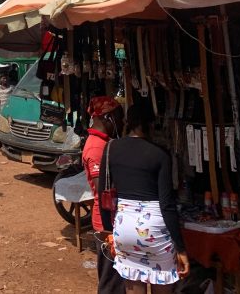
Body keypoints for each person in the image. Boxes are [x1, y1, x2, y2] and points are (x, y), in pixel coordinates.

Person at [99, 100, 189, 292]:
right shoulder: (160, 155)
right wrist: (181, 248)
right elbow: (167, 204)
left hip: (124, 227)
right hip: (155, 230)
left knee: (133, 282)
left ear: (127, 122)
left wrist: (109, 231)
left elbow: (102, 194)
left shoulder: (110, 149)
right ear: (150, 124)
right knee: (163, 283)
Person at [81, 96, 125, 294]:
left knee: (117, 279)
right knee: (110, 282)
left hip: (110, 219)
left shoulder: (103, 143)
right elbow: (103, 189)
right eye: (118, 117)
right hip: (106, 222)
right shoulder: (96, 147)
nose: (121, 122)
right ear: (108, 117)